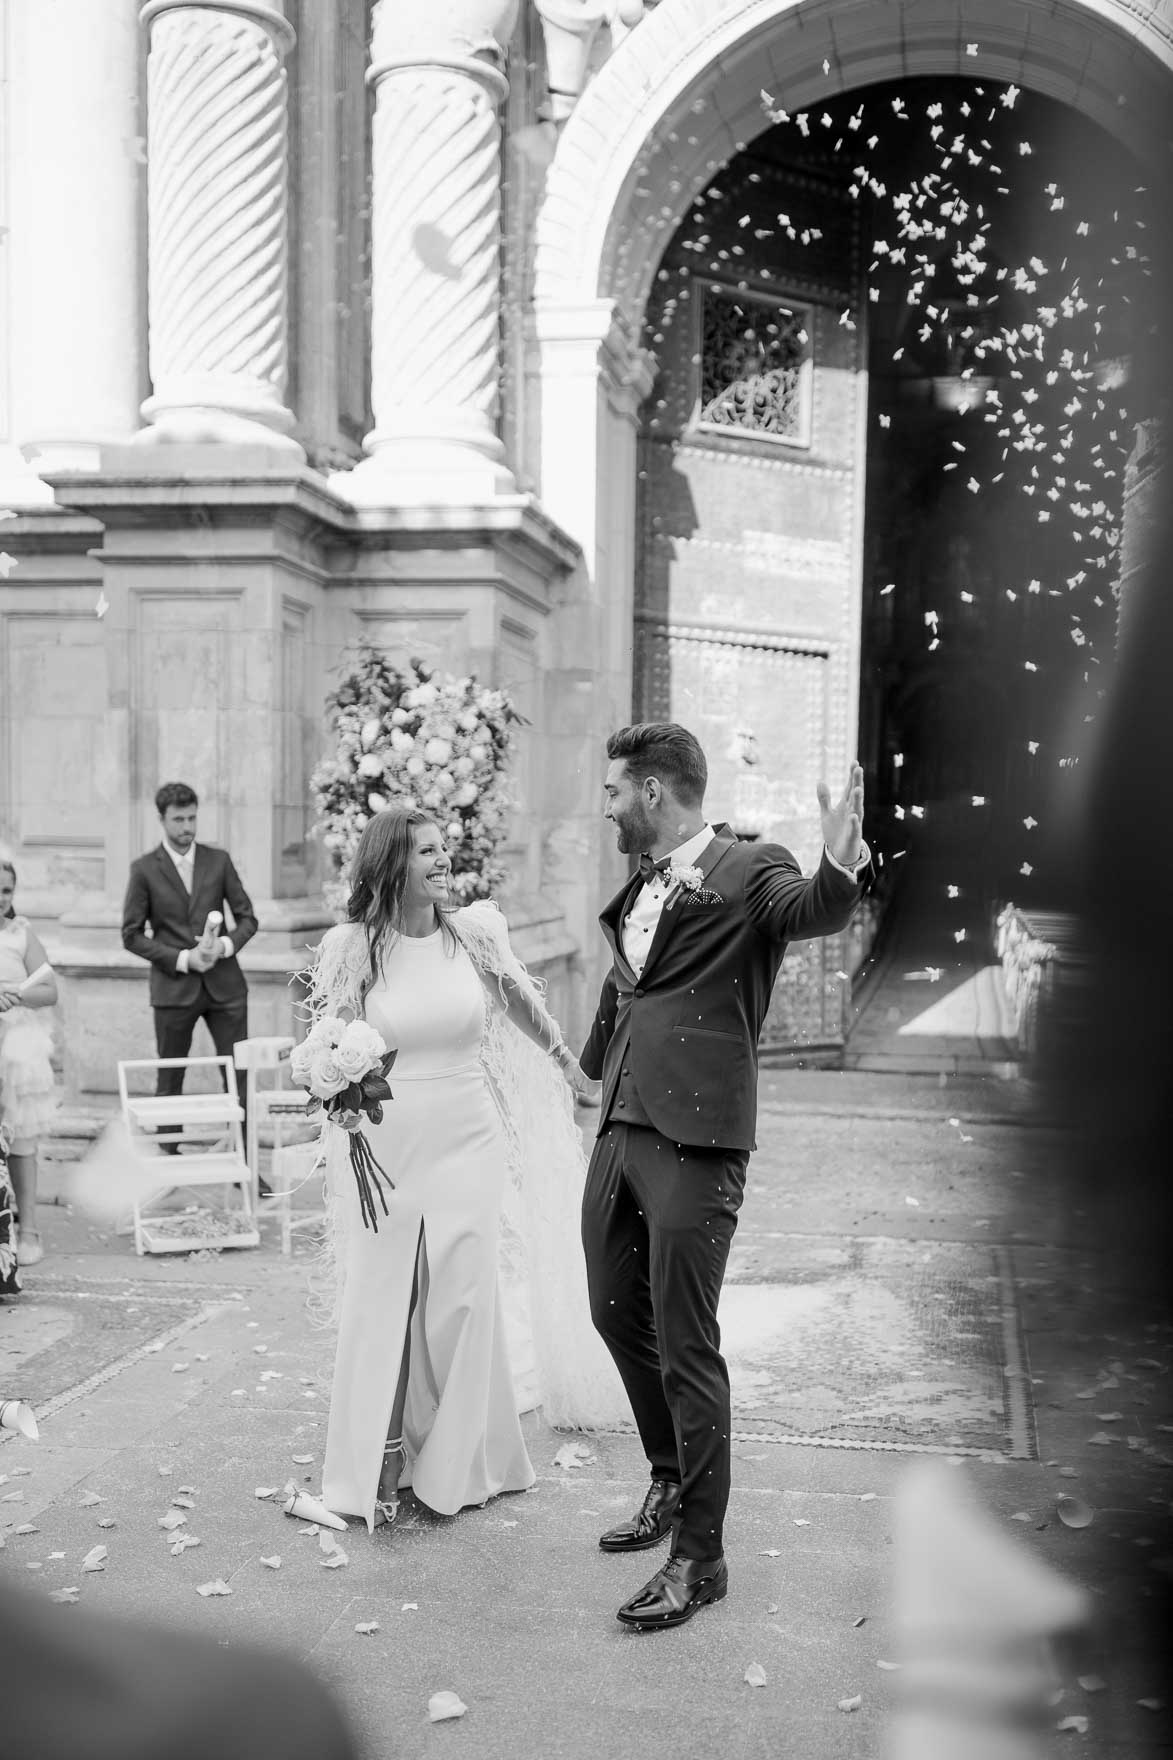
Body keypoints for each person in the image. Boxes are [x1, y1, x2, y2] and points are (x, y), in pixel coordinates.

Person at [579, 722, 869, 1629]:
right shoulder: (638, 881)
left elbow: (806, 910)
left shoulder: (749, 868)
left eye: (614, 791)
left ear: (654, 793)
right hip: (620, 1128)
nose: (606, 806)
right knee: (610, 1309)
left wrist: (839, 864)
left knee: (686, 1338)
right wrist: (589, 1060)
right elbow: (633, 977)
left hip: (696, 1140)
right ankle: (669, 1476)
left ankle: (700, 1558)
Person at [301, 807, 625, 1535]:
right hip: (387, 1142)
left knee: (462, 1300)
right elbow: (335, 1038)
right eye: (426, 851)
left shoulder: (473, 934)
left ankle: (456, 1466)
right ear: (391, 865)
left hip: (466, 1134)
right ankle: (376, 1461)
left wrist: (572, 1066)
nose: (442, 861)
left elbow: (519, 1003)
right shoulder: (354, 947)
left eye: (444, 848)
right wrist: (335, 1090)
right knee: (386, 1299)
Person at [121, 782, 257, 1154]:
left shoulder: (219, 860)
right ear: (161, 819)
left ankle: (244, 1167)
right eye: (178, 819)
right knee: (170, 1079)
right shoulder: (144, 869)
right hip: (173, 988)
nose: (187, 827)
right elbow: (131, 935)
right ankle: (168, 1159)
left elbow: (247, 918)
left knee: (239, 1077)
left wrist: (224, 946)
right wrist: (184, 959)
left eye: (192, 818)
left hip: (226, 987)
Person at [0, 854, 59, 1266]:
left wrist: (15, 994)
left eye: (6, 891)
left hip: (16, 1045)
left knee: (22, 1137)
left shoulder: (21, 933)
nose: (1, 898)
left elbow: (48, 990)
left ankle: (30, 1228)